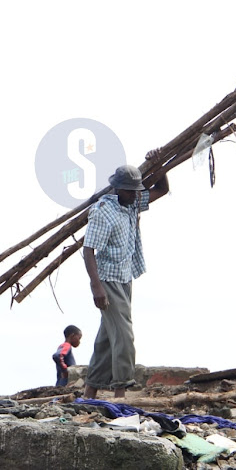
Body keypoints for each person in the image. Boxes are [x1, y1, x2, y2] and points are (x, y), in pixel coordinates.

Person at [82, 148, 169, 399]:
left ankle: (90, 392)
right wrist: (96, 287)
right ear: (118, 189)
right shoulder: (103, 211)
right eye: (131, 190)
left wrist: (159, 163)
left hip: (125, 277)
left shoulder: (131, 204)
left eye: (136, 190)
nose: (135, 194)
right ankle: (120, 393)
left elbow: (161, 190)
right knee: (124, 335)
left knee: (108, 337)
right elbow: (88, 251)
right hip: (107, 279)